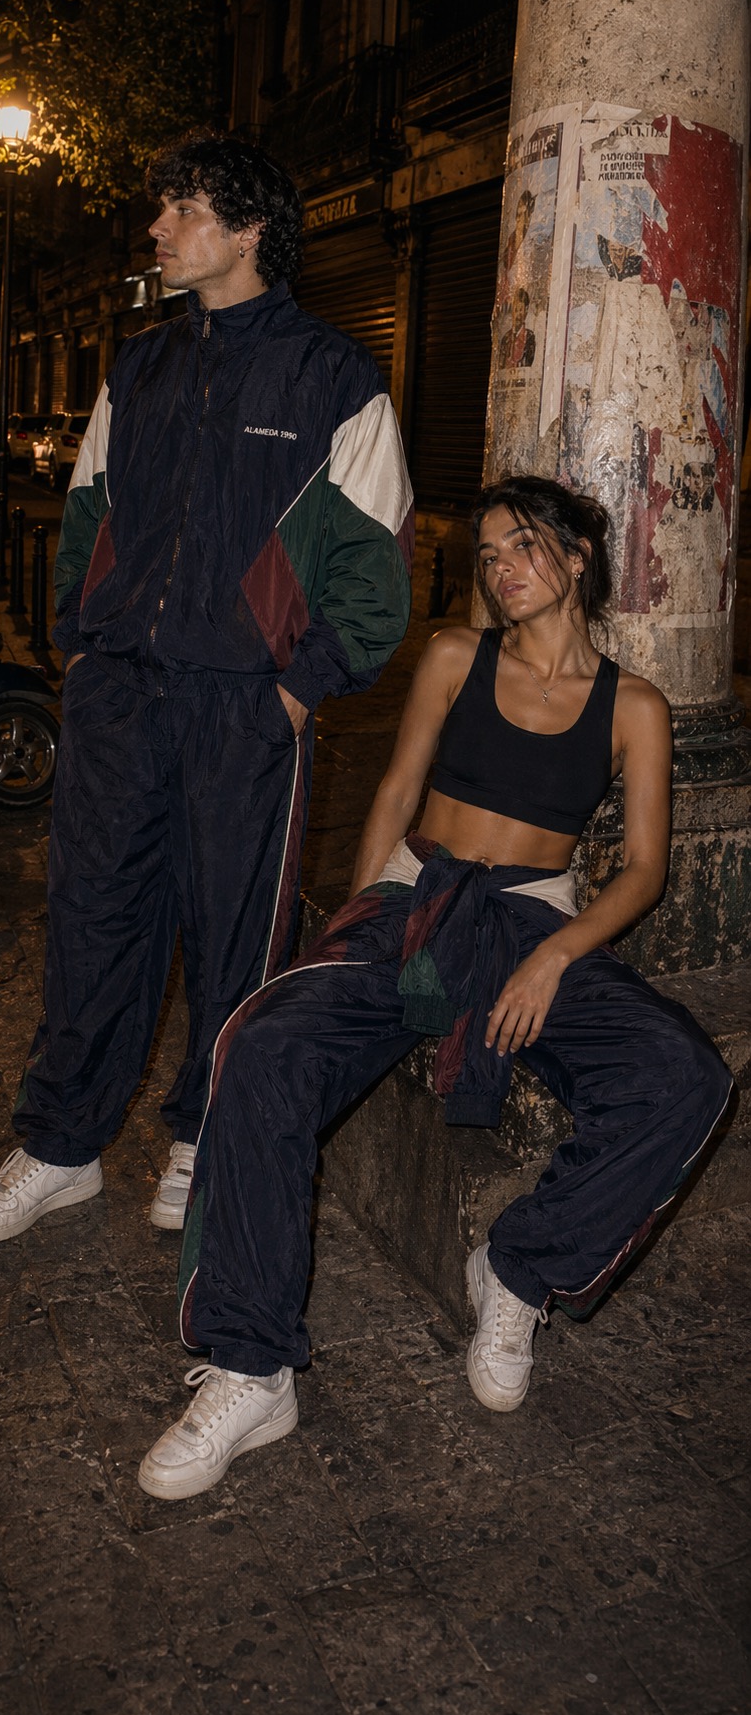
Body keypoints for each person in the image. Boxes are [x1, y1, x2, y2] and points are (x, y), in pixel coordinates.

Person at [136, 474, 732, 1502]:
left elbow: (643, 867)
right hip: (418, 898)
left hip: (537, 922)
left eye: (520, 547)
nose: (500, 569)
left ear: (577, 556)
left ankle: (516, 1270)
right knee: (263, 1043)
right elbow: (399, 788)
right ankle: (252, 1364)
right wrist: (356, 920)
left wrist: (552, 955)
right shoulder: (458, 657)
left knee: (681, 1072)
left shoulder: (633, 705)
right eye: (487, 554)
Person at [0, 135, 414, 1246]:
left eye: (179, 210)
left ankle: (205, 1134)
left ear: (246, 227)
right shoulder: (138, 366)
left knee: (232, 936)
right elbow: (84, 519)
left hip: (242, 710)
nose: (156, 230)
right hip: (120, 701)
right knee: (92, 921)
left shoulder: (334, 376)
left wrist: (294, 695)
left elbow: (374, 561)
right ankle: (62, 1143)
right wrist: (81, 645)